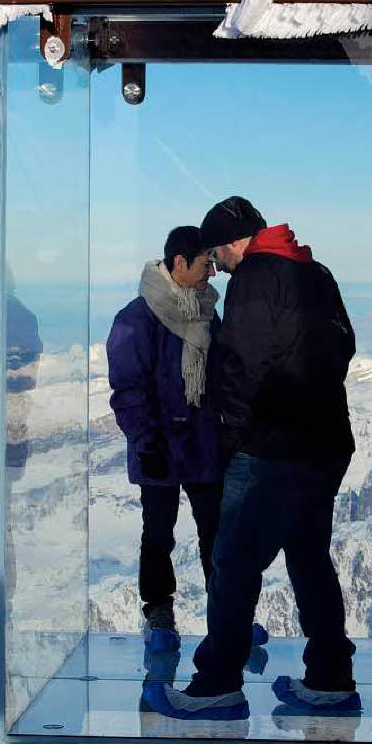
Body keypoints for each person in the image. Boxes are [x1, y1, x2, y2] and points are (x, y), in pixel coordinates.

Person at [142, 196, 360, 721]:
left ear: (234, 242)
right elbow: (344, 346)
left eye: (218, 255)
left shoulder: (256, 278)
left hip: (272, 448)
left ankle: (217, 684)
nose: (218, 266)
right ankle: (331, 678)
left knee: (234, 563)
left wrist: (236, 436)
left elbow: (240, 365)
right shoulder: (316, 271)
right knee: (309, 558)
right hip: (325, 442)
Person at [106, 227, 223, 650]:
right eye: (204, 262)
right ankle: (158, 612)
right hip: (159, 446)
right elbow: (128, 389)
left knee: (216, 531)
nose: (212, 270)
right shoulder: (137, 319)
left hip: (204, 443)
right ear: (179, 262)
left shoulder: (206, 311)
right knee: (158, 532)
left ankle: (226, 614)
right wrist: (146, 443)